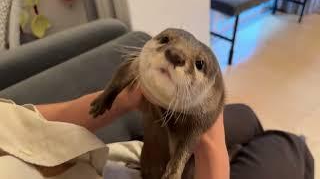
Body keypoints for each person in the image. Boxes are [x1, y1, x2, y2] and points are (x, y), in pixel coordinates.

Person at [36, 86, 314, 179]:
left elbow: (33, 122)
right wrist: (211, 148)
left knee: (246, 117)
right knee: (291, 148)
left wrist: (122, 97)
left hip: (117, 160)